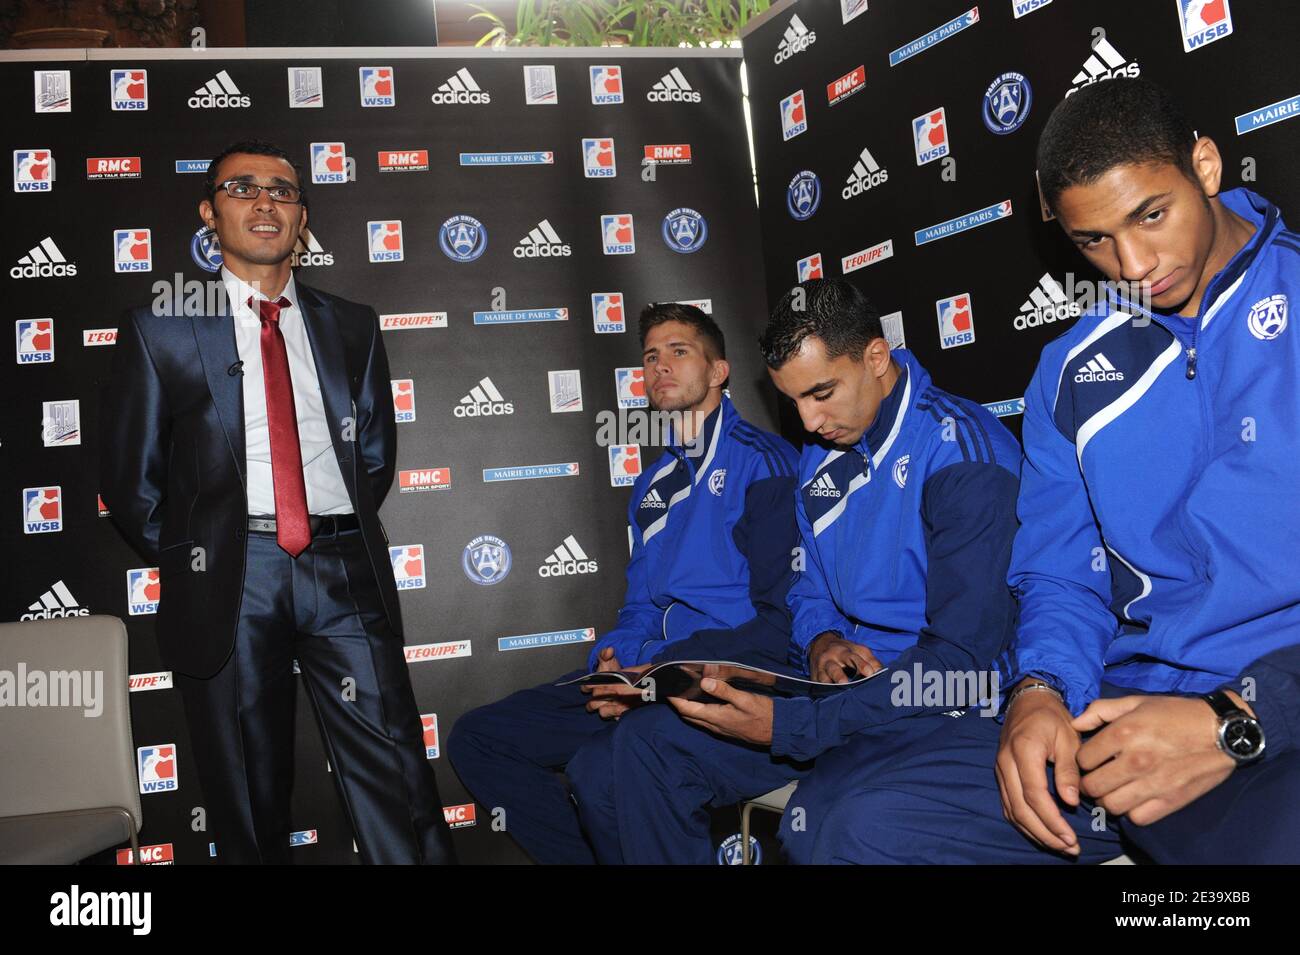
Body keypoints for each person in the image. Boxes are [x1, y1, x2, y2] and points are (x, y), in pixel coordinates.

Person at [797, 78, 1300, 864]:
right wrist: (1041, 691)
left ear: (1204, 166)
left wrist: (1244, 715)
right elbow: (1063, 575)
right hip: (1127, 707)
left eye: (1150, 214)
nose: (1131, 262)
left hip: (1277, 707)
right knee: (854, 827)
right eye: (1092, 241)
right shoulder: (1069, 372)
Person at [99, 139, 455, 865]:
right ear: (210, 211)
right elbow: (134, 482)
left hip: (343, 568)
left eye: (284, 192)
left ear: (302, 218)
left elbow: (375, 454)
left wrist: (331, 529)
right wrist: (205, 553)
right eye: (243, 188)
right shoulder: (161, 326)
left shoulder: (351, 323)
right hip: (233, 577)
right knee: (248, 793)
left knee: (398, 779)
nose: (265, 202)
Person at [587, 278, 1023, 864]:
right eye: (792, 401)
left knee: (820, 826)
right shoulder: (820, 456)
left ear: (876, 357)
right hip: (834, 694)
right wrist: (821, 638)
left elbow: (962, 658)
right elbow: (808, 588)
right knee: (646, 746)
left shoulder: (960, 450)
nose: (809, 421)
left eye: (821, 393)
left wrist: (793, 726)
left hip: (940, 705)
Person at [447, 303, 799, 864]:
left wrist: (655, 674)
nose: (660, 367)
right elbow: (641, 603)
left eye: (679, 352)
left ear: (718, 372)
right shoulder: (652, 483)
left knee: (598, 771)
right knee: (480, 738)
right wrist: (618, 660)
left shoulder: (767, 464)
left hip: (725, 673)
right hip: (650, 668)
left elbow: (778, 627)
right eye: (651, 357)